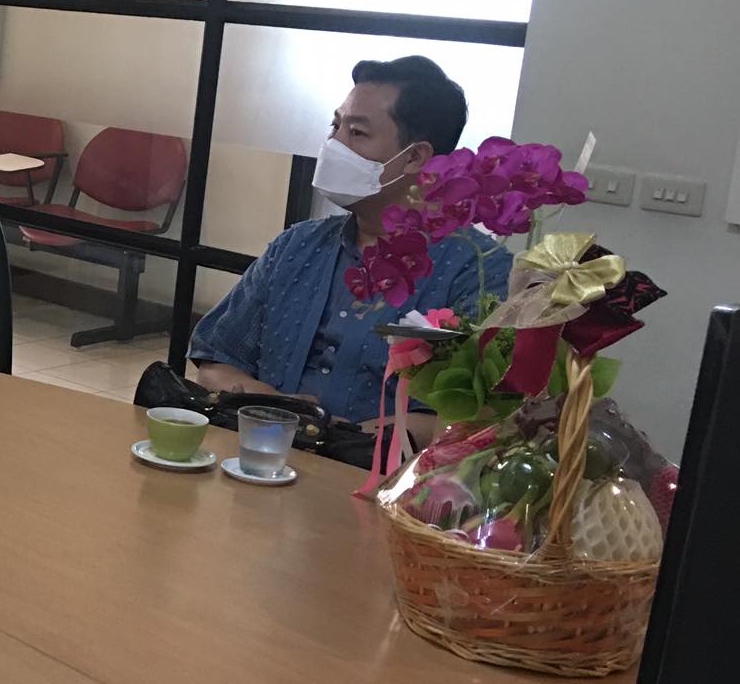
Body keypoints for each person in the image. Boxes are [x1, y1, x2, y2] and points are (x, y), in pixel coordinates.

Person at [188, 56, 513, 425]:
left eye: (356, 133)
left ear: (415, 157)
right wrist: (277, 408)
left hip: (380, 460)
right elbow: (215, 361)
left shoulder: (477, 271)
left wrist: (341, 438)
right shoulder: (296, 246)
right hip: (264, 445)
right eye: (335, 126)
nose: (333, 144)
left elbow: (474, 417)